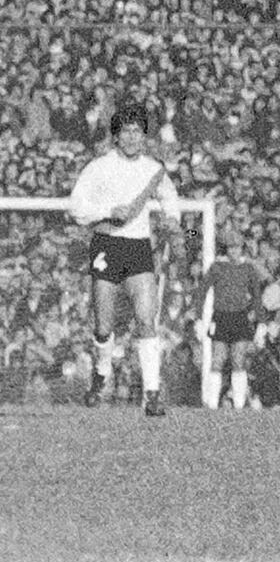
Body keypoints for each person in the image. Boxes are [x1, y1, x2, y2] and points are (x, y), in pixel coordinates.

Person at [64, 101, 181, 416]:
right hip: (106, 245)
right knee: (103, 326)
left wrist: (172, 218)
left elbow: (169, 196)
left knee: (146, 319)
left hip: (138, 247)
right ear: (116, 136)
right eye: (126, 131)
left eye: (137, 131)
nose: (131, 137)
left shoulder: (152, 169)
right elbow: (76, 206)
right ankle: (101, 372)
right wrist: (107, 211)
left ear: (144, 136)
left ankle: (152, 395)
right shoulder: (99, 167)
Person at [198, 226, 265, 409]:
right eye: (231, 247)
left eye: (237, 247)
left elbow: (257, 296)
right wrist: (199, 318)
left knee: (238, 359)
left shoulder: (248, 268)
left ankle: (239, 405)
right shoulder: (217, 267)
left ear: (242, 248)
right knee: (218, 359)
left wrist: (261, 322)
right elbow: (202, 291)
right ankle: (212, 405)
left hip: (240, 317)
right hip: (220, 317)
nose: (234, 251)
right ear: (226, 249)